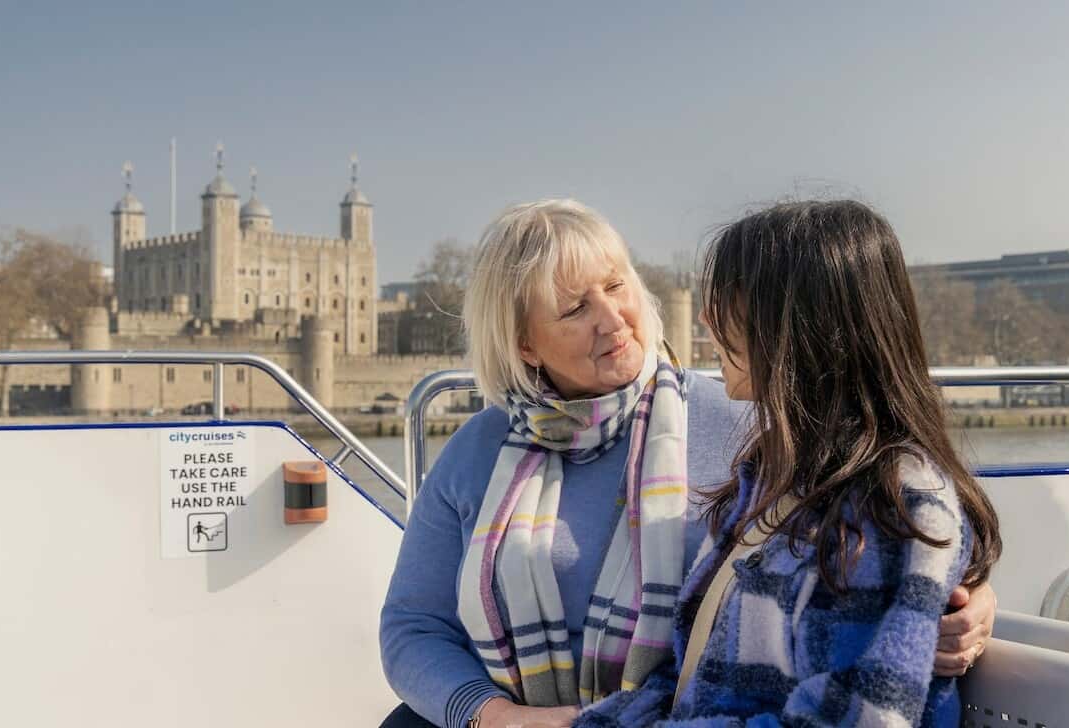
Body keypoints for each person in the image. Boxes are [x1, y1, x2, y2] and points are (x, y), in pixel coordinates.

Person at [380, 199, 996, 728]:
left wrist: (963, 598)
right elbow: (412, 625)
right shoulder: (476, 451)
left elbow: (897, 549)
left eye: (617, 285)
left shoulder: (751, 424)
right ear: (522, 342)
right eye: (573, 309)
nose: (612, 317)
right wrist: (492, 715)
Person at [573, 200, 1003, 727]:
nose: (707, 318)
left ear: (799, 324)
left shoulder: (894, 507)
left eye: (731, 300)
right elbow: (690, 677)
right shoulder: (771, 477)